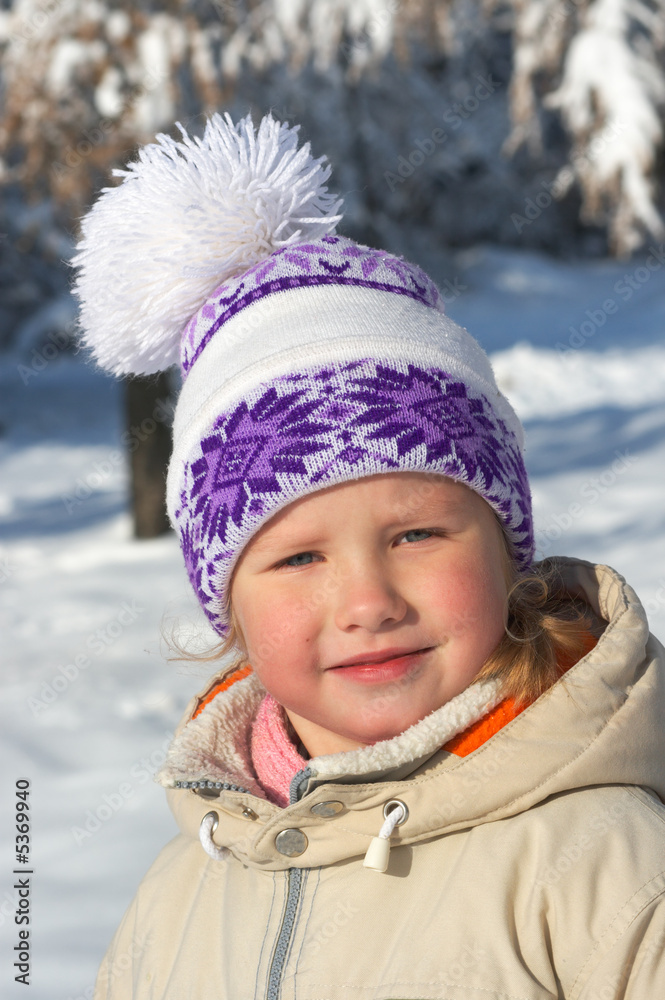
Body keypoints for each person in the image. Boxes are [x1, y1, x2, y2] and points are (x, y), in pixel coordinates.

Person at [73, 110, 665, 999]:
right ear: (229, 607)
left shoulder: (604, 868)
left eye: (415, 534)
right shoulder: (180, 895)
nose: (368, 602)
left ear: (508, 557)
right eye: (297, 559)